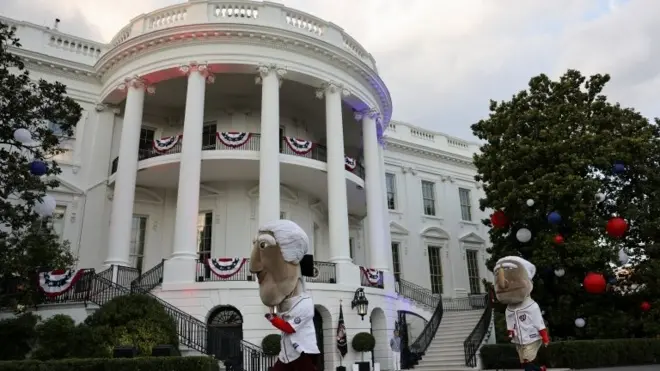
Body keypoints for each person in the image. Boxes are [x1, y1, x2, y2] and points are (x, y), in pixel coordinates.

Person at [250, 219, 320, 371]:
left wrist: (272, 319)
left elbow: (289, 328)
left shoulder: (305, 303)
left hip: (303, 352)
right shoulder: (288, 303)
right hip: (287, 353)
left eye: (263, 245)